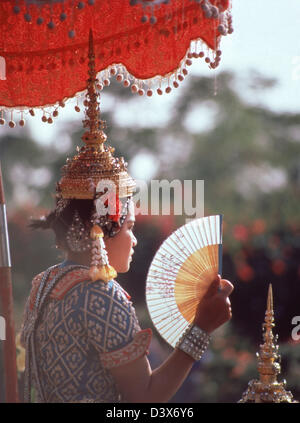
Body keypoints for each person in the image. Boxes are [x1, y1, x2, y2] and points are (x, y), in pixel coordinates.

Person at [20, 32, 234, 403]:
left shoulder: (43, 284)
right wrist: (201, 328)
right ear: (101, 229)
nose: (134, 240)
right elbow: (144, 400)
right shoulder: (100, 294)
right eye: (130, 227)